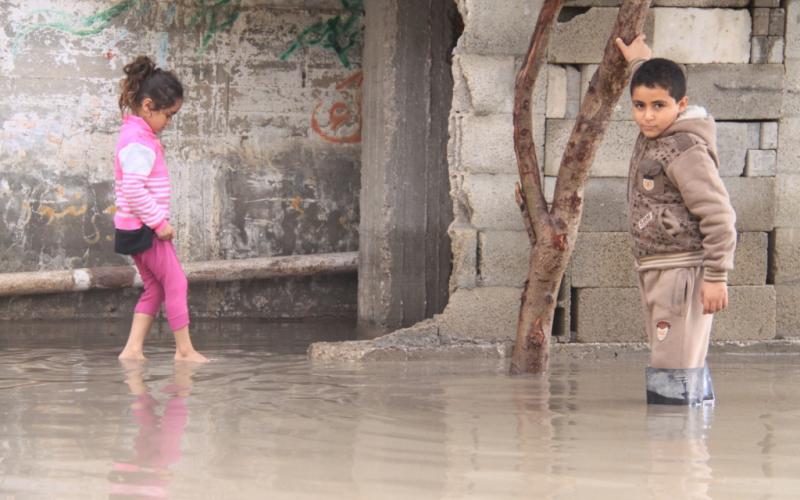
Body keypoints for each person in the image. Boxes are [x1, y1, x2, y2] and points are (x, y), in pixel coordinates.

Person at [615, 35, 736, 405]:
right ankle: (691, 445)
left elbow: (719, 214)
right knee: (681, 359)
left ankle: (672, 453)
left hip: (682, 271)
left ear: (680, 105)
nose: (647, 115)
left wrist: (716, 276)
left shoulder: (684, 148)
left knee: (673, 367)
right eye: (638, 105)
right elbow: (648, 81)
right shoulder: (657, 130)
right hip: (658, 267)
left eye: (658, 106)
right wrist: (638, 61)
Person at [115, 56, 208, 363]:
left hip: (134, 228)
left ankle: (132, 350)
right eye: (168, 115)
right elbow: (132, 188)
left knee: (155, 288)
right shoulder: (138, 142)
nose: (169, 122)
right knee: (176, 281)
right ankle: (184, 351)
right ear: (148, 106)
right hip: (144, 228)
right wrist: (158, 223)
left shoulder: (138, 136)